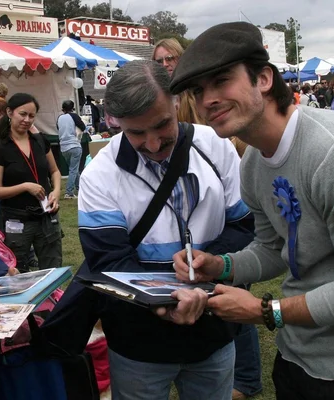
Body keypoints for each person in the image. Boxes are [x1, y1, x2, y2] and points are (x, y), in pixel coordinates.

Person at [170, 21, 334, 400]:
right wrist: (221, 265)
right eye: (197, 90)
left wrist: (265, 311)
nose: (207, 100)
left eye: (221, 81)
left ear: (264, 79)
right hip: (297, 356)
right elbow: (275, 249)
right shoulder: (253, 163)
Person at [77, 60, 254, 400]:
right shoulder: (99, 174)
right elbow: (109, 262)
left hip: (213, 332)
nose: (154, 144)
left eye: (162, 126)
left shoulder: (216, 146)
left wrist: (210, 263)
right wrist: (167, 302)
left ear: (176, 102)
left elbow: (245, 226)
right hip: (138, 343)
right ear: (115, 122)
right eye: (137, 133)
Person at [0, 93, 63, 271]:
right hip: (16, 219)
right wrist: (25, 187)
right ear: (10, 112)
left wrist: (56, 192)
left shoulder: (40, 141)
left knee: (52, 268)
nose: (27, 120)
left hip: (46, 215)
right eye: (23, 114)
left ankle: (54, 298)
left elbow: (55, 171)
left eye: (32, 116)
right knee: (18, 271)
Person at [57, 100, 85, 199]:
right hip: (74, 144)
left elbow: (58, 128)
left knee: (74, 169)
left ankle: (80, 188)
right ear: (72, 108)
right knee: (73, 170)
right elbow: (83, 126)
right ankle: (69, 192)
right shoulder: (74, 116)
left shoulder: (59, 118)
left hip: (63, 147)